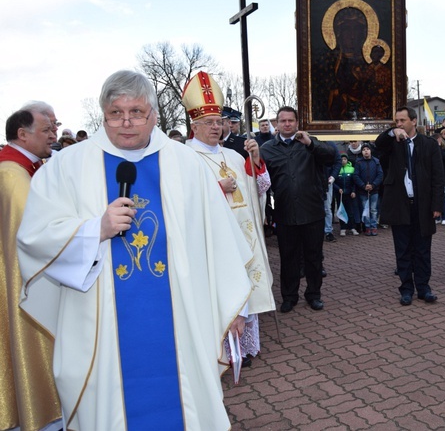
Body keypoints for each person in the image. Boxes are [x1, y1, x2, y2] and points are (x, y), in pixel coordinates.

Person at [16, 70, 254, 430]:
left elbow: (219, 239)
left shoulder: (186, 164)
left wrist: (235, 307)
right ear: (103, 114)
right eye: (116, 113)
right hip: (98, 318)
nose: (126, 122)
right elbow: (35, 236)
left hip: (183, 317)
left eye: (137, 112)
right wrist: (94, 230)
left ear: (154, 116)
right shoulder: (66, 166)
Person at [183, 71, 275, 368]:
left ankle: (245, 348)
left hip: (243, 237)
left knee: (244, 284)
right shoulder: (184, 159)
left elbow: (260, 188)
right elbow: (179, 200)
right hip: (213, 240)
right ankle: (221, 348)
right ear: (193, 126)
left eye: (219, 122)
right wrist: (215, 190)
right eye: (209, 123)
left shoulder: (233, 155)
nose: (216, 127)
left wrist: (256, 161)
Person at [0, 107, 62, 431]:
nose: (53, 133)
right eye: (47, 128)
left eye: (55, 126)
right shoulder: (13, 176)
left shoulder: (26, 169)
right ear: (22, 134)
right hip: (26, 287)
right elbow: (38, 238)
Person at [260, 106, 337, 313]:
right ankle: (289, 296)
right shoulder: (267, 149)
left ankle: (314, 294)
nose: (287, 124)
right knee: (288, 257)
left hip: (312, 211)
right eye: (283, 121)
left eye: (290, 121)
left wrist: (311, 143)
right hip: (285, 212)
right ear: (276, 124)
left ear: (297, 122)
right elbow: (260, 180)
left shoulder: (309, 142)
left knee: (313, 257)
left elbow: (331, 156)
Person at [375, 107, 443, 306]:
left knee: (422, 250)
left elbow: (438, 177)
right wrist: (391, 133)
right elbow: (378, 144)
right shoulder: (392, 143)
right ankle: (406, 289)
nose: (399, 124)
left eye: (402, 120)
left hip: (423, 205)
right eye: (396, 121)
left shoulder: (429, 144)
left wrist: (437, 204)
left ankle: (424, 288)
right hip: (399, 205)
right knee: (403, 249)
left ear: (414, 121)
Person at [353, 143, 383, 236]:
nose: (366, 151)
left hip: (374, 190)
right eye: (364, 149)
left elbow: (380, 174)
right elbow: (356, 175)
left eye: (367, 149)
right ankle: (367, 227)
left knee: (373, 209)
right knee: (365, 209)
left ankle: (374, 227)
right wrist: (363, 185)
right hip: (363, 190)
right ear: (361, 152)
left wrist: (373, 185)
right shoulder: (358, 162)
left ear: (370, 151)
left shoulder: (376, 161)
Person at [333, 153, 358, 236]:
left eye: (345, 159)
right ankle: (343, 228)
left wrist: (353, 191)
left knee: (350, 211)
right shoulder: (336, 169)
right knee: (341, 211)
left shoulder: (351, 169)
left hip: (349, 194)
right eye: (341, 159)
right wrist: (338, 189)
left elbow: (354, 182)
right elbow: (333, 181)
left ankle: (352, 227)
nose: (343, 161)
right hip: (340, 194)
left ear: (347, 160)